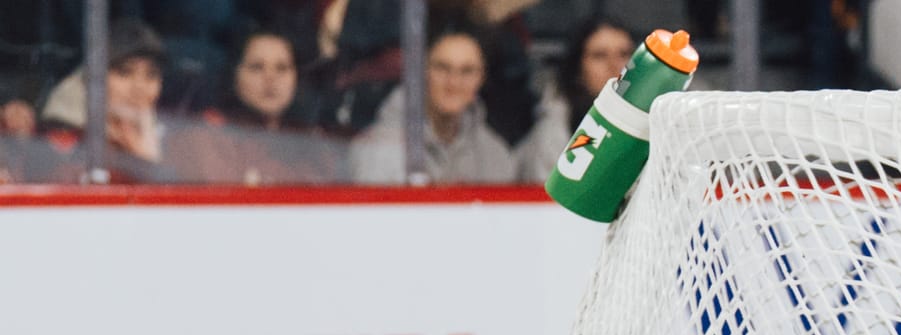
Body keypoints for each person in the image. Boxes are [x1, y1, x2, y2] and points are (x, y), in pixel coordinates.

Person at [170, 29, 344, 184]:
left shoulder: (313, 144)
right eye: (256, 67)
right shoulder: (206, 138)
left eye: (282, 68)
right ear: (234, 76)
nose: (271, 78)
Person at [348, 25, 516, 184]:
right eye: (442, 68)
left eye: (467, 71)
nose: (454, 83)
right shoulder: (379, 149)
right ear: (422, 71)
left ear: (481, 79)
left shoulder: (495, 154)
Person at [36, 18, 174, 183]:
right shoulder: (64, 144)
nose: (139, 88)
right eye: (124, 73)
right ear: (94, 79)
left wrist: (148, 157)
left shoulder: (180, 140)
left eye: (151, 75)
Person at [512, 17, 638, 183]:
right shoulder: (552, 133)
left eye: (624, 54)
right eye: (599, 55)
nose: (615, 65)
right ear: (578, 69)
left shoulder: (659, 121)